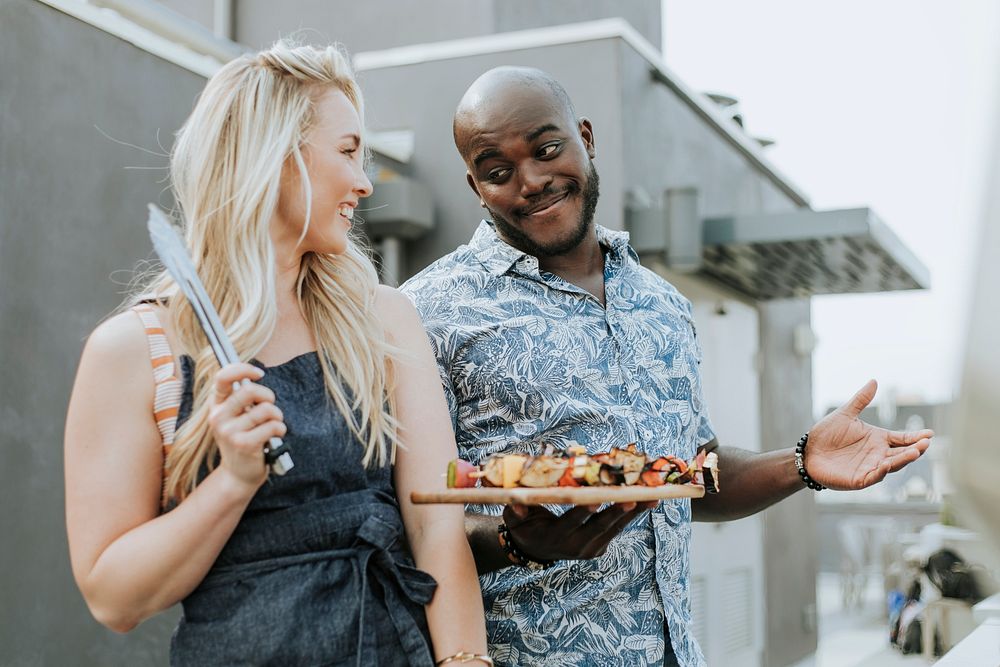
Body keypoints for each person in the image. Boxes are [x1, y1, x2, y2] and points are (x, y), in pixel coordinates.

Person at [400, 66, 933, 667]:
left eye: (548, 150)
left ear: (586, 138)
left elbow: (690, 475)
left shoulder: (661, 301)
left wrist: (801, 462)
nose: (531, 181)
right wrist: (511, 540)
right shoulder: (424, 312)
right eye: (498, 172)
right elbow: (407, 521)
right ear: (475, 187)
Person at [64, 41, 489, 666]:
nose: (365, 181)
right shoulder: (135, 350)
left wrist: (464, 661)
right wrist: (232, 481)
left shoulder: (382, 319)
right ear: (277, 156)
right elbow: (113, 598)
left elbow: (435, 525)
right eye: (348, 151)